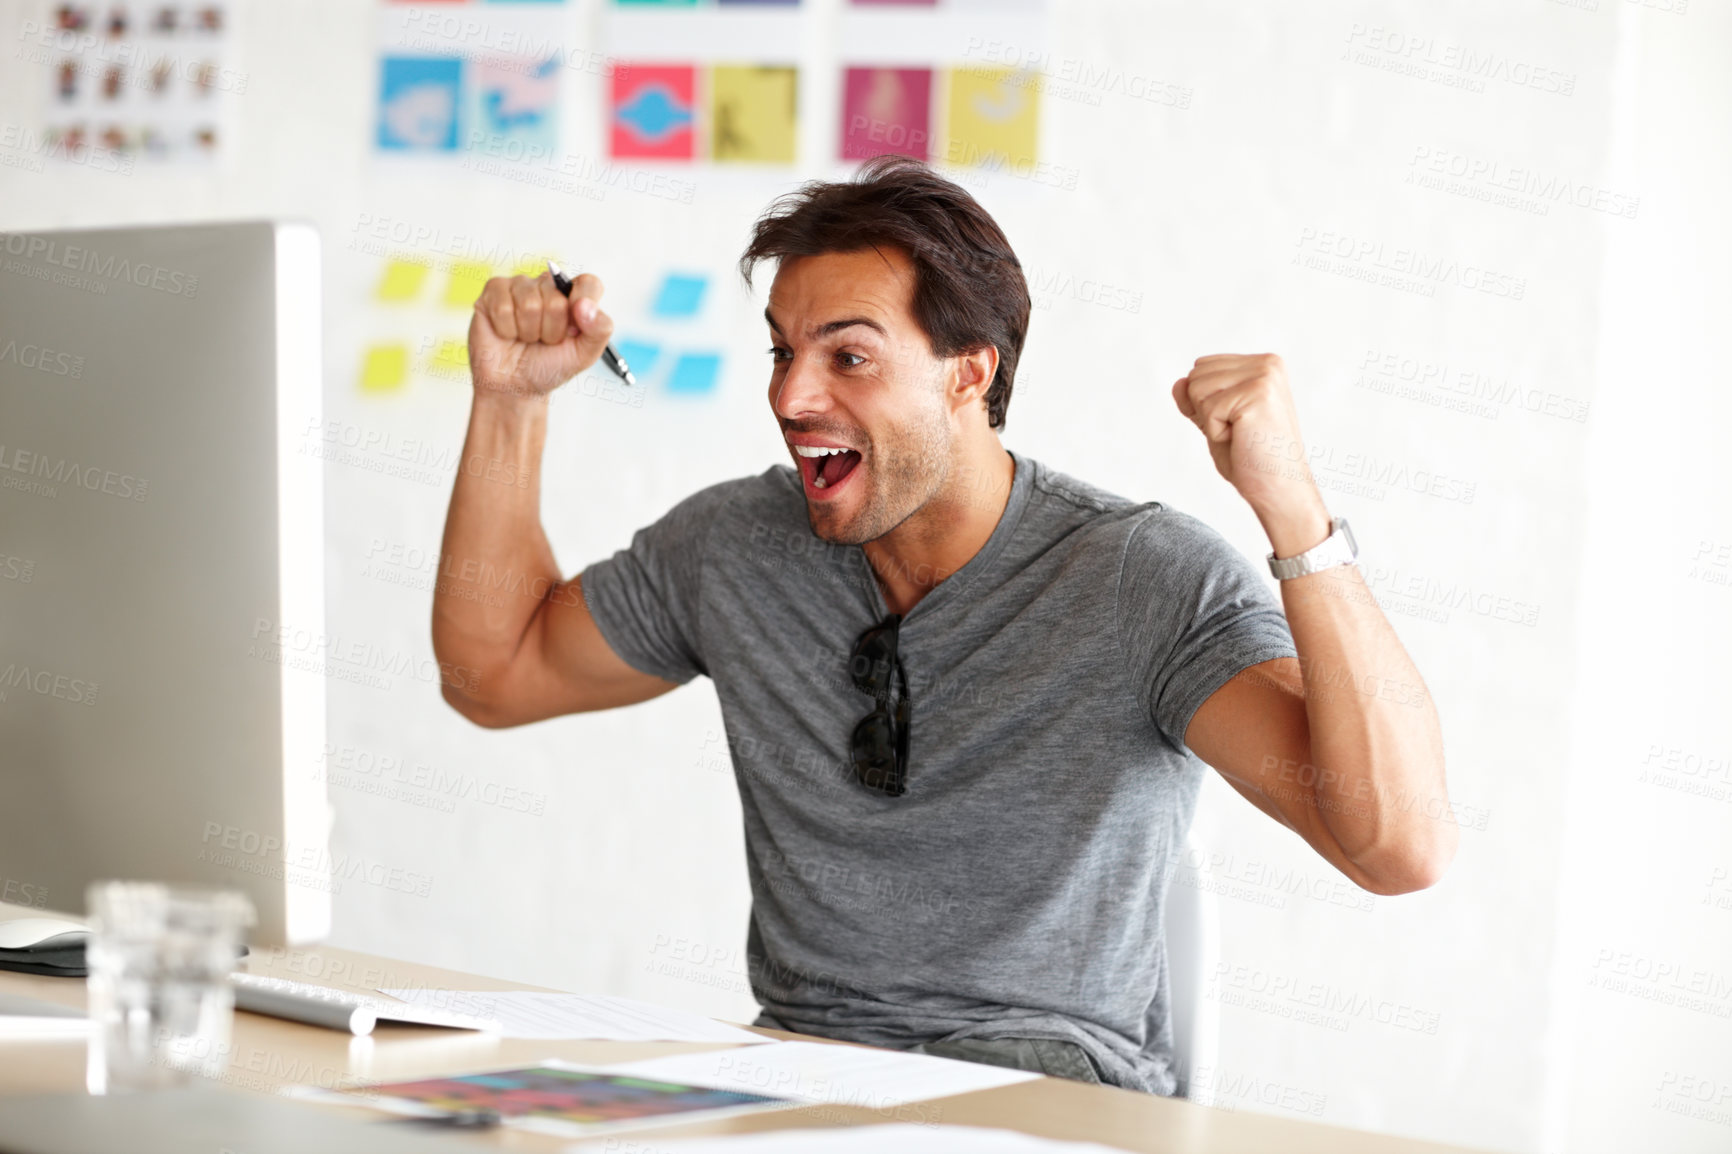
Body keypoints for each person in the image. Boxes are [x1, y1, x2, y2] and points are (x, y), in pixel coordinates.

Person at [431, 156, 1455, 1096]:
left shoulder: (1139, 578)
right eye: (784, 351)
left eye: (850, 357)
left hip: (1047, 1095)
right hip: (799, 1076)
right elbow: (495, 672)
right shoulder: (735, 547)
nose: (791, 394)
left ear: (970, 371)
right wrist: (510, 402)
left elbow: (1395, 846)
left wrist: (1295, 515)